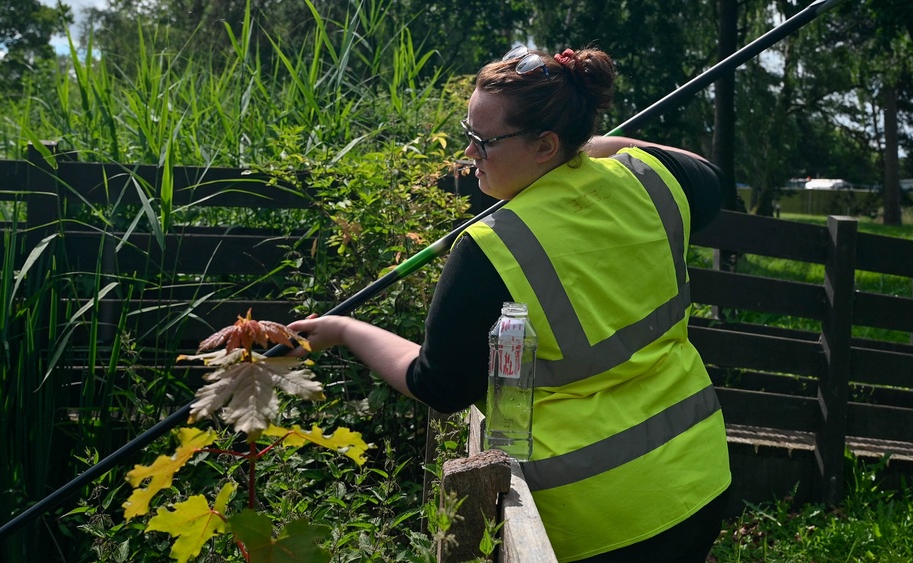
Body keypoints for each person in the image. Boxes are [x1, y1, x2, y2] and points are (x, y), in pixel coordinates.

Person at [288, 46, 732, 562]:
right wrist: (585, 150)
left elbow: (438, 384)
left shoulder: (491, 247)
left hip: (598, 516)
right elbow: (708, 176)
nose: (468, 154)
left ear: (545, 145)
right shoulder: (649, 178)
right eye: (467, 132)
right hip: (700, 477)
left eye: (484, 142)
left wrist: (346, 331)